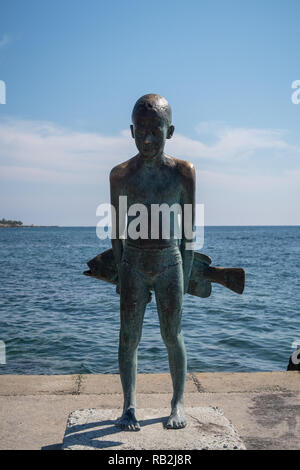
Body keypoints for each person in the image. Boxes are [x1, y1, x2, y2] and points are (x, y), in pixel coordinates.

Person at [110, 94, 195, 430]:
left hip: (169, 261)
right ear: (131, 131)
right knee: (128, 337)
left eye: (155, 131)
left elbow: (189, 231)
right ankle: (129, 405)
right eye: (141, 131)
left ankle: (178, 402)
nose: (147, 139)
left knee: (172, 334)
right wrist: (119, 271)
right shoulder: (119, 176)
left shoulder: (182, 173)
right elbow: (116, 232)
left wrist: (185, 276)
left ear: (169, 131)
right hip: (132, 261)